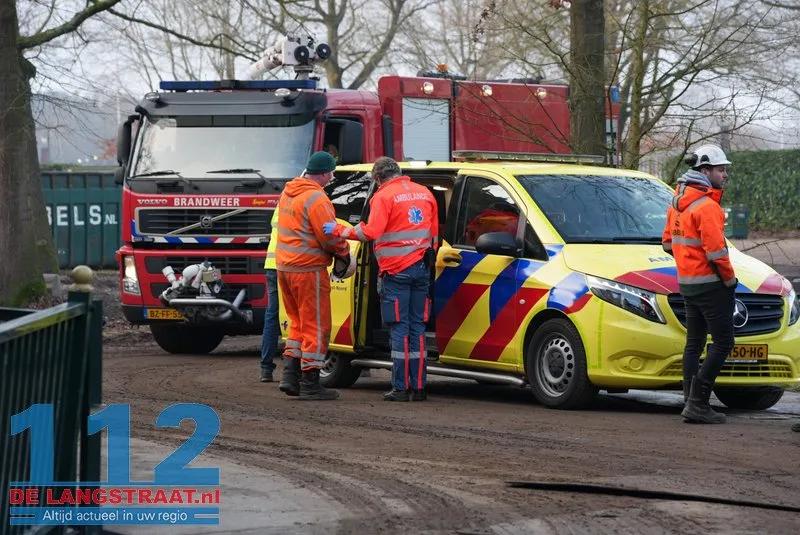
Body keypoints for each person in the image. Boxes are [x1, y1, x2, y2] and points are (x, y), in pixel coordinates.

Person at [323, 157, 438, 401]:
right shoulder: (425, 193)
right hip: (421, 269)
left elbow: (370, 232)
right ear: (398, 172)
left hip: (396, 271)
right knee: (417, 327)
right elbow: (434, 235)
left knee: (398, 328)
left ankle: (400, 388)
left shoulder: (383, 197)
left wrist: (338, 230)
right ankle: (418, 388)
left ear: (377, 178)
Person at [662, 144, 736, 424]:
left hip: (688, 284)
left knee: (694, 343)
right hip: (711, 286)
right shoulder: (707, 207)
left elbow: (668, 243)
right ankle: (698, 403)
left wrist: (687, 261)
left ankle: (688, 400)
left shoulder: (676, 201)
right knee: (723, 343)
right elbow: (718, 252)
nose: (725, 174)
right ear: (704, 171)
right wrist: (729, 280)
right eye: (721, 169)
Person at [276, 151, 352, 401]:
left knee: (297, 323)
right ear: (323, 173)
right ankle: (310, 382)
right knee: (317, 327)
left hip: (285, 268)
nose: (332, 177)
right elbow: (329, 236)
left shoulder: (289, 192)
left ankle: (290, 376)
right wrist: (344, 253)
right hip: (308, 270)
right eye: (331, 172)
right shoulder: (317, 199)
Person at [259, 209, 280, 382]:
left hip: (272, 264)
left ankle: (266, 369)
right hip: (294, 264)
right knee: (301, 317)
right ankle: (301, 370)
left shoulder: (284, 200)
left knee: (272, 316)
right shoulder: (310, 198)